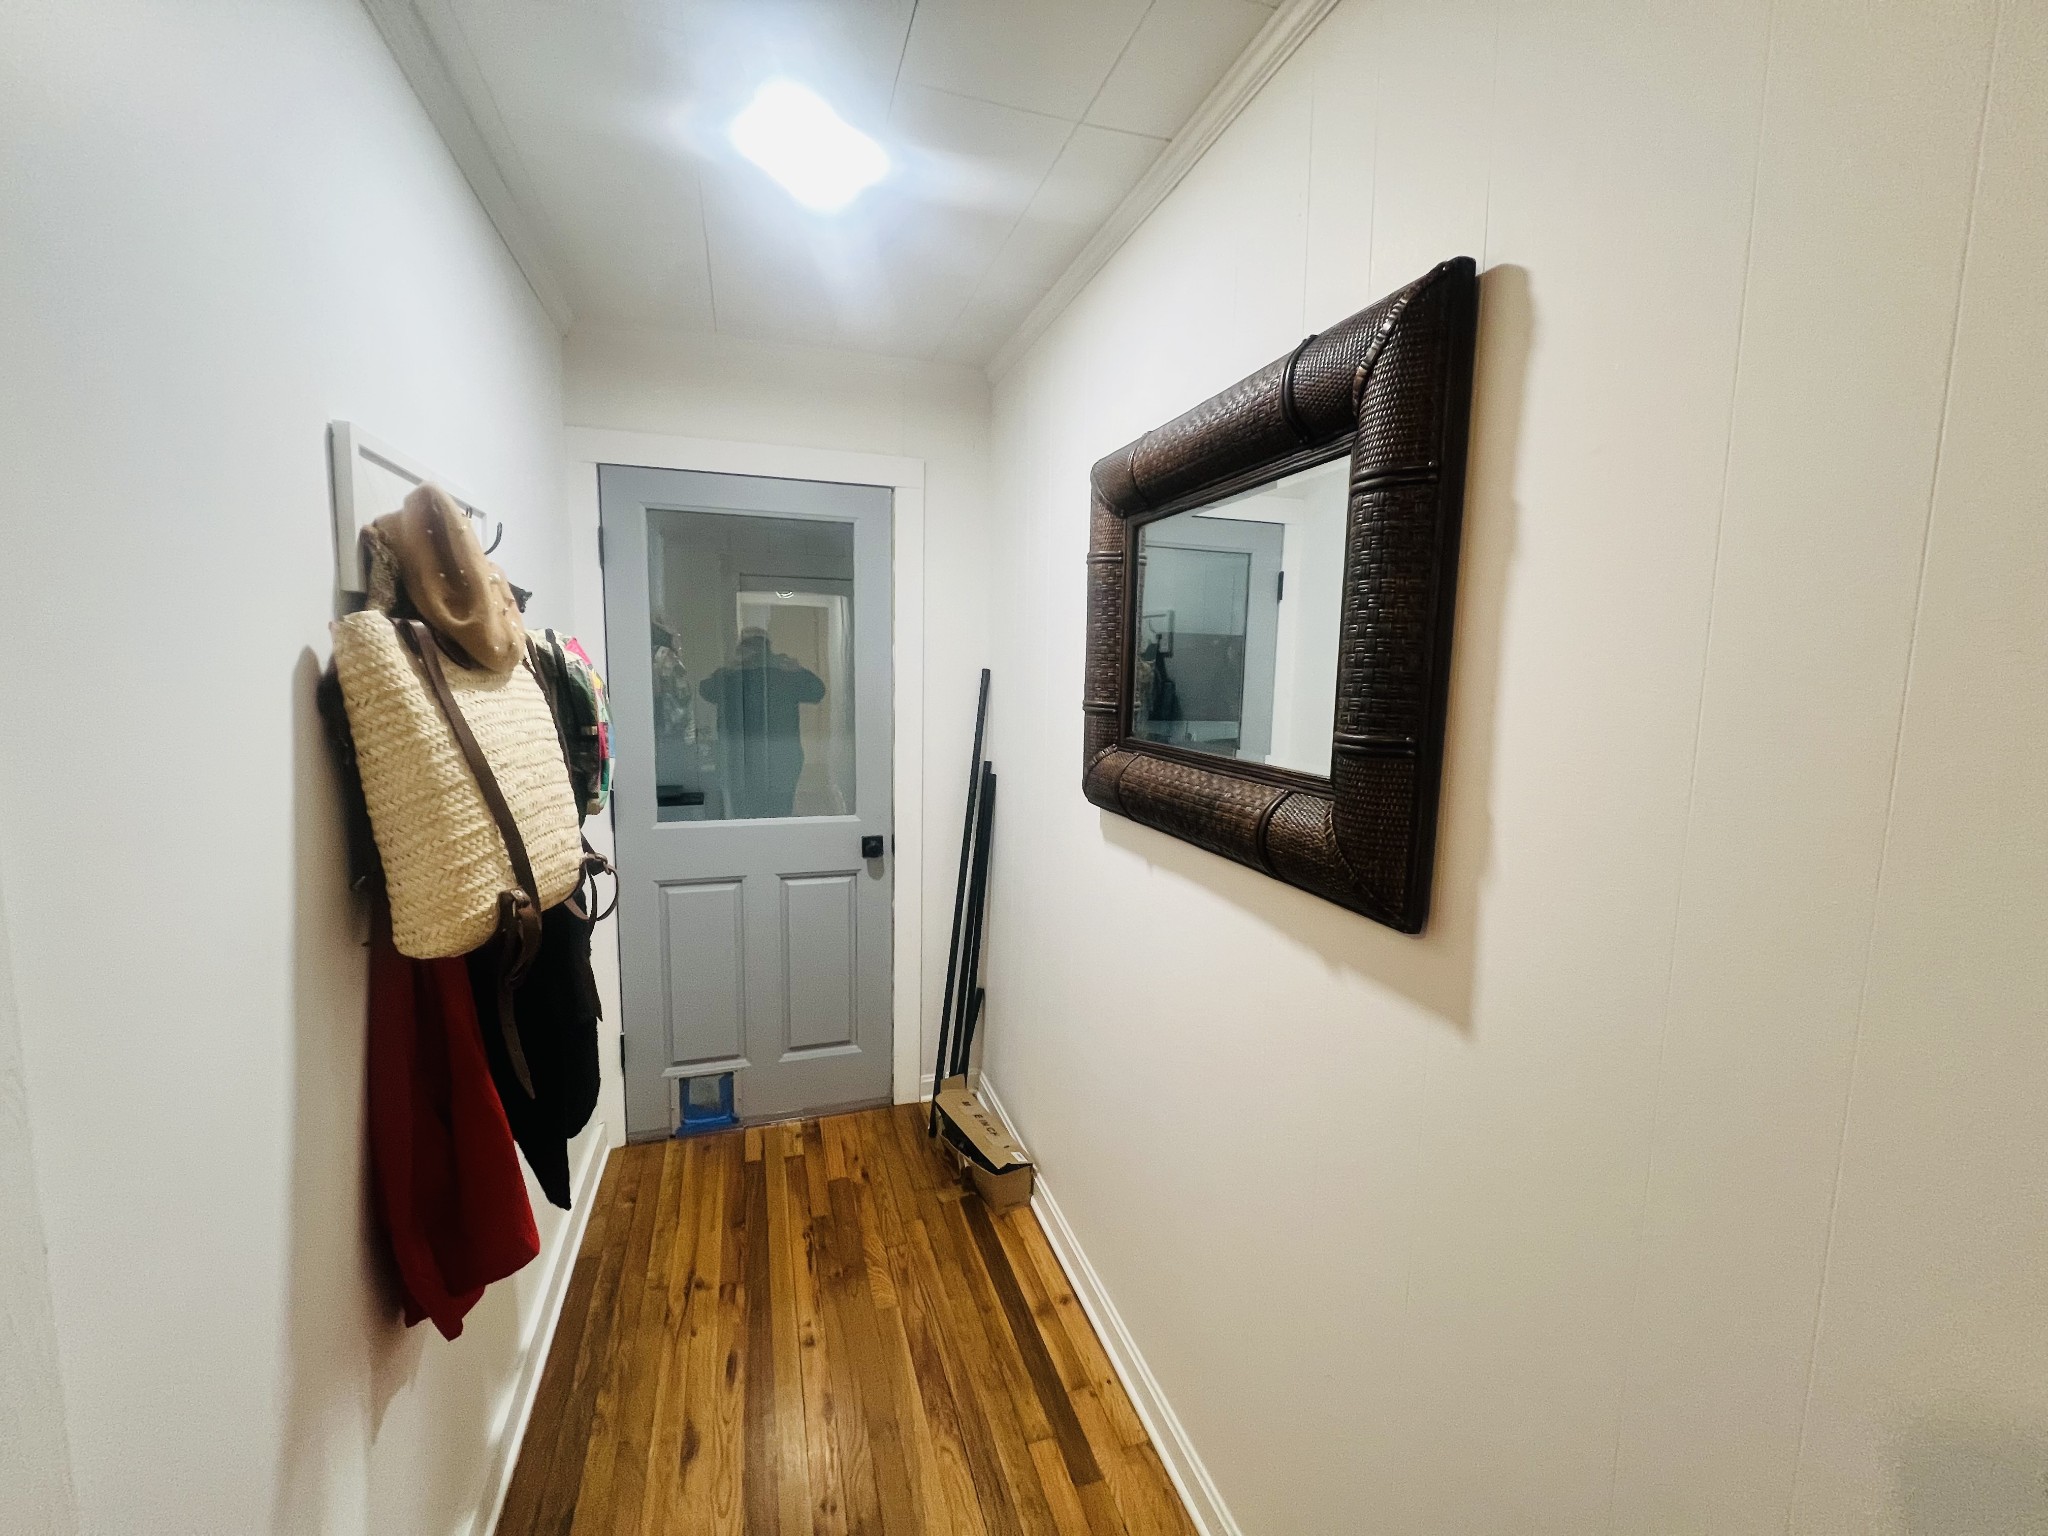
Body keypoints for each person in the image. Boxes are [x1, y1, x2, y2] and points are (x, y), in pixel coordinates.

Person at [698, 628, 825, 818]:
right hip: (774, 758)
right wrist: (799, 671)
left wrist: (730, 668)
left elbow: (707, 690)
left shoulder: (734, 676)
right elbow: (816, 691)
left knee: (748, 816)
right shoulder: (781, 673)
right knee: (777, 813)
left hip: (747, 759)